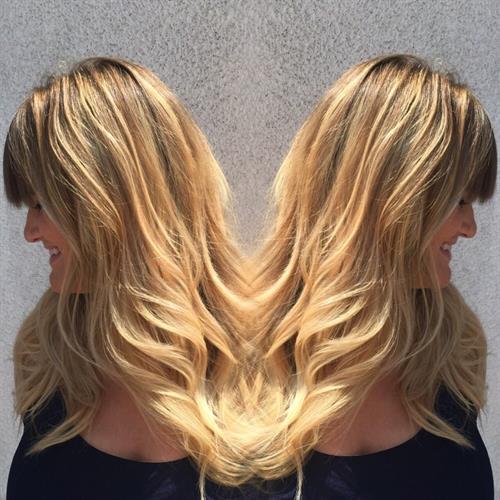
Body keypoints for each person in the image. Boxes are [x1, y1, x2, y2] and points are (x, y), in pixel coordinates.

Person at [248, 54, 497, 499]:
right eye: (458, 200)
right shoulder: (248, 379)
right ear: (392, 198)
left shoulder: (453, 351)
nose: (470, 228)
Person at [4, 56, 252, 500]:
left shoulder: (254, 385)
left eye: (42, 204)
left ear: (110, 200)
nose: (30, 232)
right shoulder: (47, 358)